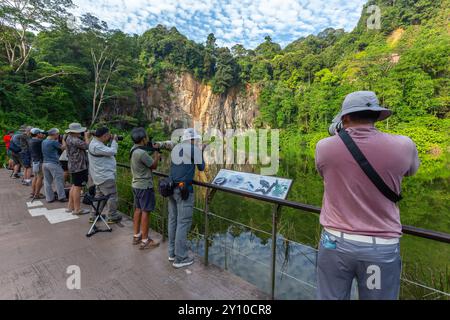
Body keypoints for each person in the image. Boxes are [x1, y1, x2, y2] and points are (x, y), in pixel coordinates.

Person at [315, 91, 420, 300]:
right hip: (379, 250)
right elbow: (411, 171)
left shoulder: (324, 147)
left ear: (345, 118)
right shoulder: (404, 145)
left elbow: (323, 172)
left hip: (334, 244)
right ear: (376, 116)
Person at [164, 128, 205, 268]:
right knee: (183, 222)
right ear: (192, 140)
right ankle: (181, 258)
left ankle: (172, 253)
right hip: (183, 190)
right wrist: (201, 151)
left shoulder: (176, 148)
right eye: (196, 140)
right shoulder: (194, 149)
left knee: (173, 220)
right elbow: (202, 168)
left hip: (171, 188)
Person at [130, 127, 161, 249]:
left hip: (136, 185)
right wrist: (157, 154)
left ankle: (136, 235)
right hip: (144, 186)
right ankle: (145, 240)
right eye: (146, 137)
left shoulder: (134, 149)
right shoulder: (141, 153)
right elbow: (153, 166)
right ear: (143, 139)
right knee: (146, 212)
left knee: (138, 209)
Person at [88, 127, 122, 224]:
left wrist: (110, 141)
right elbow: (113, 151)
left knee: (100, 195)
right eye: (108, 135)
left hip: (99, 176)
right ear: (104, 136)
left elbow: (106, 151)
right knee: (112, 196)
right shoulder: (96, 146)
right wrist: (115, 141)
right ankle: (112, 216)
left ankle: (93, 215)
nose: (109, 137)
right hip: (105, 176)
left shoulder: (96, 143)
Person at [65, 123, 91, 215]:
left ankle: (70, 206)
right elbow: (87, 146)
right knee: (77, 187)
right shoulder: (75, 140)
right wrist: (87, 137)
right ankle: (77, 209)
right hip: (79, 166)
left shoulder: (68, 138)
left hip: (72, 165)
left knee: (74, 186)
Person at [42, 128, 68, 203]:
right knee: (59, 181)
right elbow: (64, 147)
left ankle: (49, 198)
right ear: (55, 134)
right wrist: (63, 139)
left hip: (45, 163)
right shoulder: (53, 142)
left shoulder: (44, 141)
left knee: (47, 182)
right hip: (53, 164)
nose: (59, 135)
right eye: (58, 134)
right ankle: (61, 197)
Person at [29, 128, 46, 199]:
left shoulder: (31, 140)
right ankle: (37, 194)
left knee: (35, 177)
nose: (42, 134)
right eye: (40, 133)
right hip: (39, 161)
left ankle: (33, 192)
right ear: (37, 134)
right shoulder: (39, 141)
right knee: (40, 177)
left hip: (34, 161)